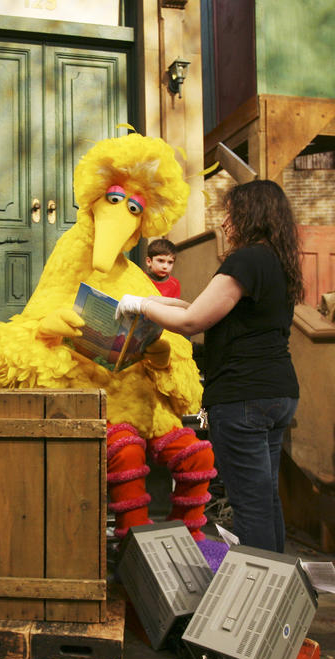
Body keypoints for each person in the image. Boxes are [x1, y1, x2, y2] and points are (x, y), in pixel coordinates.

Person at [116, 180, 303, 553]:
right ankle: (277, 590)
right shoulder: (278, 261)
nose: (226, 223)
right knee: (265, 501)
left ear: (251, 216)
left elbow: (192, 322)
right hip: (278, 392)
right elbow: (201, 309)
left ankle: (255, 596)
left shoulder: (246, 259)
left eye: (232, 215)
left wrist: (138, 306)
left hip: (244, 396)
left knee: (250, 506)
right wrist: (157, 302)